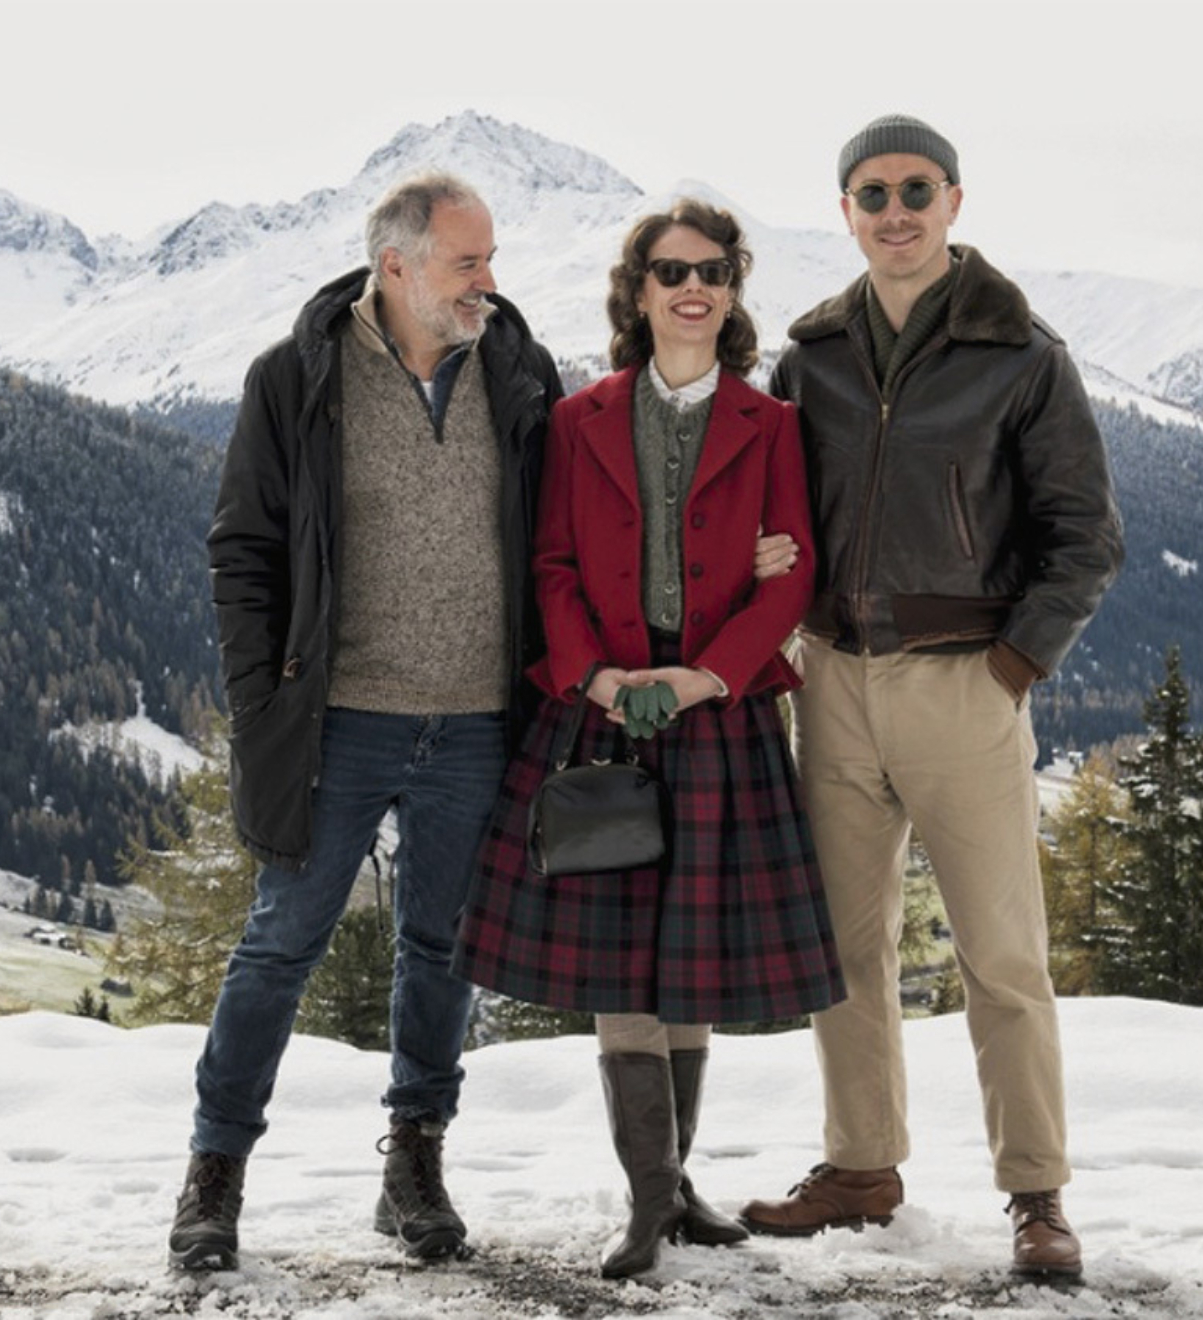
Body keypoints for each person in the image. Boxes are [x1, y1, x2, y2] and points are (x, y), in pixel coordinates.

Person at [736, 115, 1125, 1284]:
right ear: (844, 212)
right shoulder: (811, 356)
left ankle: (1035, 1193)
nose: (894, 211)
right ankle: (861, 1168)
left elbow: (1084, 538)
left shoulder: (1021, 354)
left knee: (1000, 956)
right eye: (871, 193)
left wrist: (1011, 668)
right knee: (841, 947)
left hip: (963, 683)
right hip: (831, 681)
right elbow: (771, 510)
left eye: (915, 190)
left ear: (953, 201)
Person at [167, 173, 564, 1271]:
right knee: (278, 946)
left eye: (489, 258)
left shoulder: (519, 371)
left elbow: (562, 528)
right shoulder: (296, 376)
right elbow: (243, 549)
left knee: (443, 950)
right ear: (396, 265)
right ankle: (213, 1173)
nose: (488, 280)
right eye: (466, 262)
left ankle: (414, 1165)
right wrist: (262, 702)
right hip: (337, 722)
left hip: (477, 723)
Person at [453, 199, 845, 1280]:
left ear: (733, 288)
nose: (693, 288)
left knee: (690, 954)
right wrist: (598, 675)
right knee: (624, 958)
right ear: (637, 289)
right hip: (604, 710)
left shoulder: (772, 424)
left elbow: (795, 571)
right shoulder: (578, 418)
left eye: (713, 271)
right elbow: (551, 567)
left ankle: (674, 1190)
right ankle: (647, 1200)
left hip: (718, 710)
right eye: (671, 271)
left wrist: (707, 674)